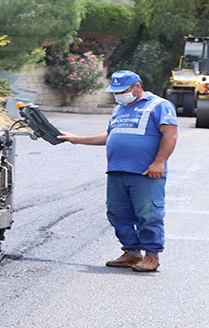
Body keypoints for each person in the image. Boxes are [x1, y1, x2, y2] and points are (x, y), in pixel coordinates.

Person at [59, 70, 178, 272]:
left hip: (145, 172)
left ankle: (152, 256)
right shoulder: (120, 109)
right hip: (117, 171)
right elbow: (109, 136)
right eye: (115, 91)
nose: (118, 95)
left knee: (148, 213)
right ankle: (131, 252)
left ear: (137, 86)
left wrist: (159, 162)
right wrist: (77, 139)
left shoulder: (159, 105)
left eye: (122, 90)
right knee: (117, 213)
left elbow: (170, 135)